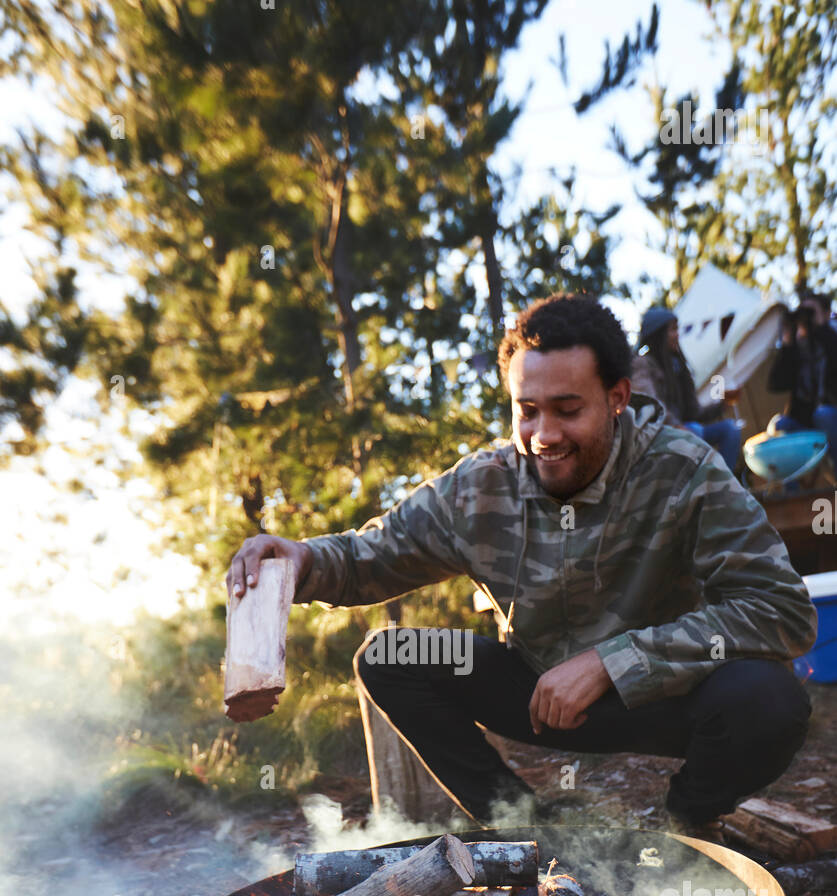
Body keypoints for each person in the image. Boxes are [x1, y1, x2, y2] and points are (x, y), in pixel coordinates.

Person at [227, 293, 816, 831]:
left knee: (769, 699)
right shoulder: (482, 485)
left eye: (566, 409)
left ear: (616, 398)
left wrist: (614, 663)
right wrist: (302, 558)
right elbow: (370, 556)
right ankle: (523, 826)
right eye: (527, 410)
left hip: (661, 697)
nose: (543, 435)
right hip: (534, 689)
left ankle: (686, 820)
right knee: (390, 655)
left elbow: (782, 612)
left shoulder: (685, 470)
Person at [630, 307, 743, 472]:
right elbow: (650, 406)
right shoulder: (643, 365)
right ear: (659, 334)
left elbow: (694, 412)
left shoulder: (677, 365)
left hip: (688, 431)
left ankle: (723, 483)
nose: (678, 334)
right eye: (673, 329)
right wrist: (677, 427)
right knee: (694, 431)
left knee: (729, 429)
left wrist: (721, 405)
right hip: (662, 437)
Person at [767, 291, 837, 462]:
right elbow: (775, 384)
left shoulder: (832, 338)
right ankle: (791, 488)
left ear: (827, 314)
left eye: (811, 312)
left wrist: (821, 326)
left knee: (822, 414)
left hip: (830, 416)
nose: (806, 318)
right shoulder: (798, 349)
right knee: (779, 424)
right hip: (804, 422)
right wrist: (787, 342)